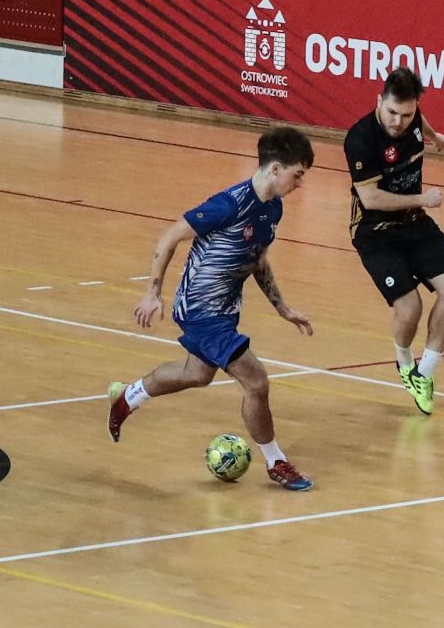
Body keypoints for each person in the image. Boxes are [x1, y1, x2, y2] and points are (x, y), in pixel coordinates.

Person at [107, 126, 316, 491]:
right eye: (297, 175)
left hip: (226, 308)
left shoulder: (273, 208)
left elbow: (258, 261)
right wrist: (152, 293)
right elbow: (170, 236)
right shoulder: (229, 205)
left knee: (197, 374)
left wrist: (282, 307)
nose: (300, 184)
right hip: (200, 309)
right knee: (257, 381)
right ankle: (276, 462)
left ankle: (128, 396)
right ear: (275, 169)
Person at [343, 67, 444, 416]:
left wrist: (434, 135)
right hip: (375, 233)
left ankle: (423, 374)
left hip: (414, 224)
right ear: (379, 101)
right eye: (392, 112)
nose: (398, 122)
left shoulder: (412, 119)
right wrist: (424, 199)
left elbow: (419, 121)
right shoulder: (360, 139)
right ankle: (403, 360)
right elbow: (371, 199)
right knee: (410, 308)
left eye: (406, 115)